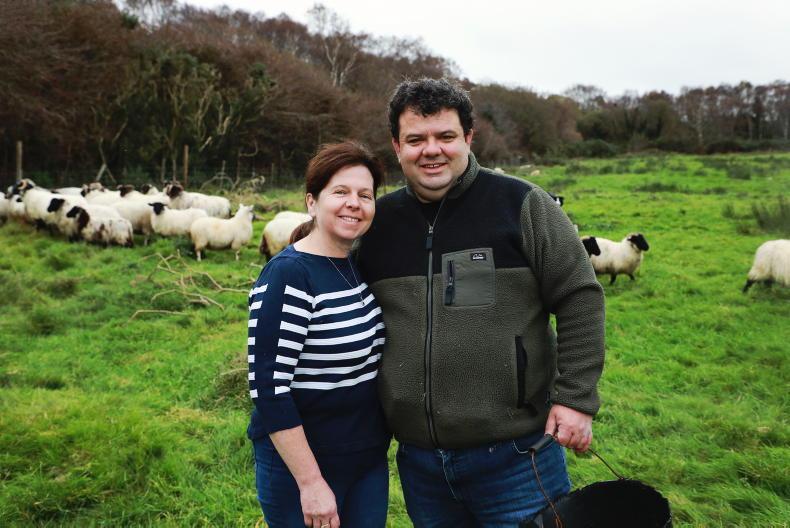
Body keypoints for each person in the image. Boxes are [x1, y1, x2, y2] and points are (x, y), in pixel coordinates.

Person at [356, 78, 606, 526]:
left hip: (517, 457)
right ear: (397, 146)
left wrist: (577, 398)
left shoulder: (521, 203)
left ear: (468, 138)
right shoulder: (378, 223)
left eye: (445, 137)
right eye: (416, 139)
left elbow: (579, 296)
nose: (431, 150)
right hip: (420, 463)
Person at [247, 141, 390, 528]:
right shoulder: (289, 274)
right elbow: (268, 387)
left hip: (365, 461)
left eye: (365, 195)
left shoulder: (353, 265)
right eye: (340, 192)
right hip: (307, 469)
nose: (354, 203)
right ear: (312, 202)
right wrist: (310, 483)